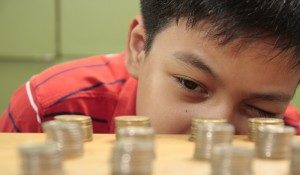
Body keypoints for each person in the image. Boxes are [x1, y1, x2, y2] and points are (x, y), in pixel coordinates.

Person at [0, 0, 299, 134]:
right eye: (190, 84)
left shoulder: (292, 137)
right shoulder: (48, 112)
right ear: (139, 48)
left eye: (260, 110)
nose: (216, 126)